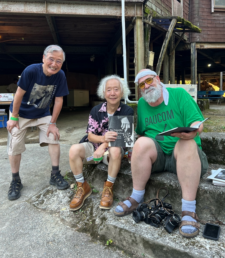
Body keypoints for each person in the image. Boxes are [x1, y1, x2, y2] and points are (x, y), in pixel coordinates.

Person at [114, 69, 208, 239]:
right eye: (142, 85)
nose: (147, 86)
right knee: (141, 142)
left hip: (185, 156)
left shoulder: (179, 94)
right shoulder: (142, 104)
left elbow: (197, 122)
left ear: (157, 78)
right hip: (159, 157)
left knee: (186, 143)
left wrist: (192, 131)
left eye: (149, 80)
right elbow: (142, 133)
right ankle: (136, 197)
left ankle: (189, 210)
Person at [7, 45, 69, 201]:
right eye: (51, 59)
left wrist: (53, 123)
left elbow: (59, 100)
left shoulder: (60, 75)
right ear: (43, 58)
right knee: (14, 143)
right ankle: (15, 180)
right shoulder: (31, 71)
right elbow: (18, 95)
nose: (54, 64)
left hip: (42, 113)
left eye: (59, 61)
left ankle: (55, 174)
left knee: (54, 137)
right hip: (21, 113)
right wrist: (13, 117)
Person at [69, 75, 134, 211]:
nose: (112, 93)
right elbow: (91, 135)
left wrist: (103, 147)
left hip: (112, 151)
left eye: (116, 89)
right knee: (74, 150)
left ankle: (108, 188)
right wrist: (103, 140)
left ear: (122, 92)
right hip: (94, 147)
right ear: (103, 93)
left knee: (115, 149)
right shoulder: (96, 110)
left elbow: (122, 139)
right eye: (108, 90)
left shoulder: (127, 111)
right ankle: (82, 186)